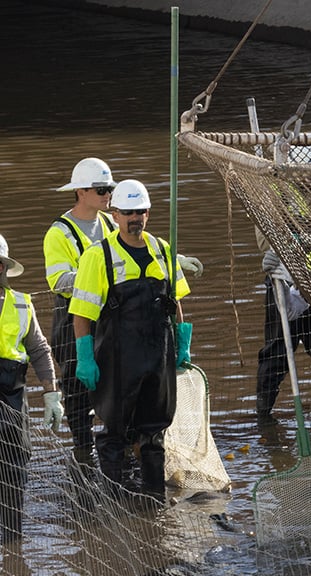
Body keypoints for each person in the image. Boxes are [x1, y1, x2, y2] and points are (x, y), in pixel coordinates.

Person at [46, 157, 202, 461]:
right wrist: (98, 276)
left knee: (117, 390)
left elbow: (128, 251)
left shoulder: (109, 221)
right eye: (102, 190)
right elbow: (58, 280)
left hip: (111, 317)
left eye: (110, 191)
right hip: (72, 318)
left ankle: (125, 449)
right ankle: (83, 456)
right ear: (81, 192)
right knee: (78, 393)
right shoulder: (59, 233)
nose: (107, 196)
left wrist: (169, 260)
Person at [69, 179, 191, 496]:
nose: (134, 218)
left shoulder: (164, 250)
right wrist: (85, 357)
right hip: (117, 362)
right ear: (115, 214)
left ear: (148, 213)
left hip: (157, 358)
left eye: (139, 211)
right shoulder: (99, 256)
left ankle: (153, 500)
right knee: (114, 433)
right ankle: (114, 500)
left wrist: (183, 340)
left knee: (153, 433)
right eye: (127, 212)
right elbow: (81, 313)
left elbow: (175, 300)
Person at [255, 145, 311, 424]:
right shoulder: (275, 194)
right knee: (276, 353)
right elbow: (265, 240)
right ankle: (263, 416)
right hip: (282, 280)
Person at [0, 235, 63, 541]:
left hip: (11, 398)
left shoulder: (22, 305)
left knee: (14, 469)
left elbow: (39, 350)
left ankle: (12, 545)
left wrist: (51, 393)